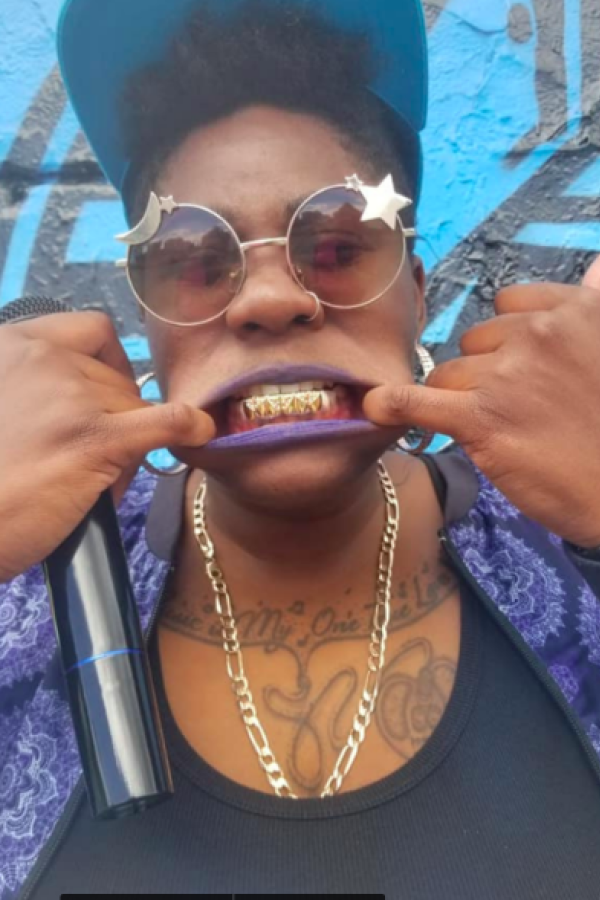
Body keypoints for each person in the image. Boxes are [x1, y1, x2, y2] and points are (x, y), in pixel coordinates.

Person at [1, 0, 599, 896]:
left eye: (336, 246)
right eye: (196, 260)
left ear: (416, 297)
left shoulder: (571, 536)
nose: (269, 300)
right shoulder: (28, 575)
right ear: (147, 325)